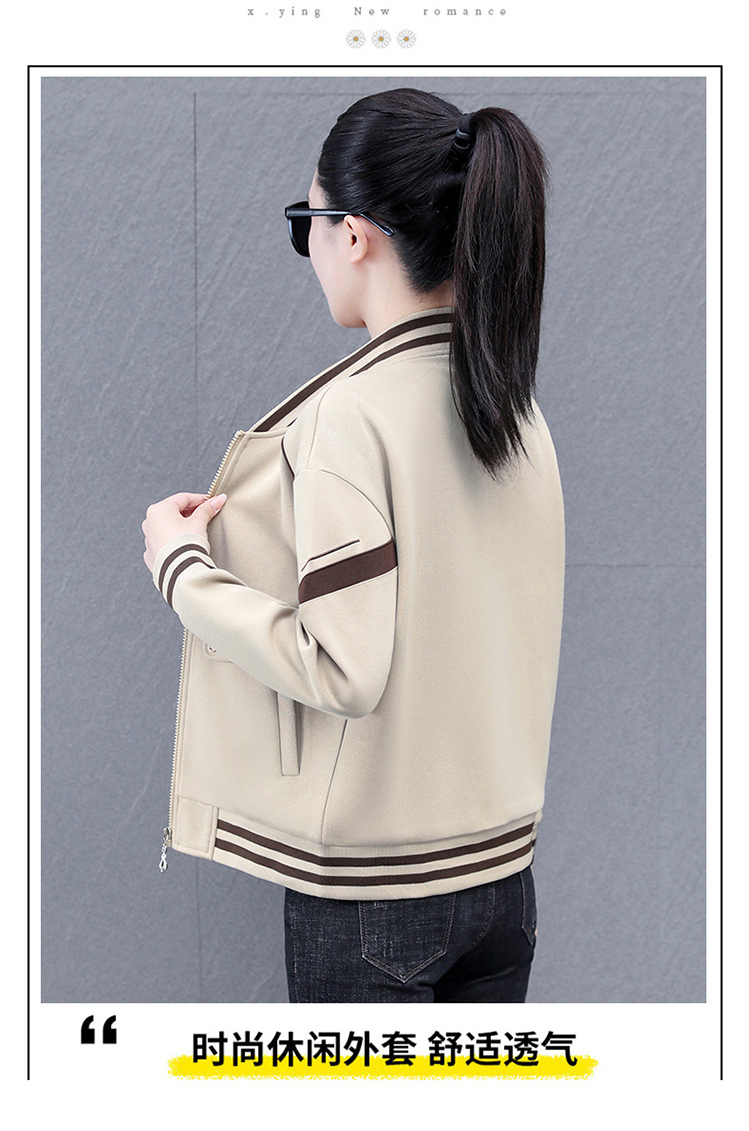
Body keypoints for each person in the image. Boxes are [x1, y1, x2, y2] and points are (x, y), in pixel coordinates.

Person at [141, 87, 565, 1003]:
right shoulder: (514, 409)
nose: (312, 254)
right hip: (504, 880)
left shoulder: (353, 418)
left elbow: (341, 670)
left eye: (308, 226)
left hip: (379, 900)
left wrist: (182, 570)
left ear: (355, 234)